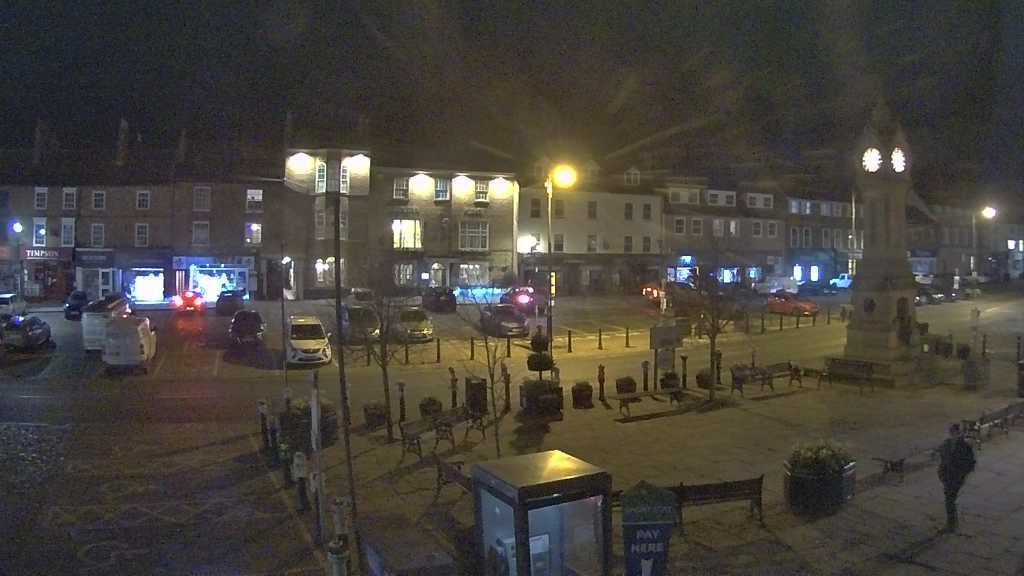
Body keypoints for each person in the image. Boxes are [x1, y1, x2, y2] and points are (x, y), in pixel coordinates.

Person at [937, 423, 976, 532]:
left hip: (956, 477)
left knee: (949, 500)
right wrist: (942, 473)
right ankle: (952, 522)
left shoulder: (964, 446)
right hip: (948, 477)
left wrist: (962, 474)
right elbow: (942, 460)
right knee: (949, 499)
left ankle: (951, 523)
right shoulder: (947, 444)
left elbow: (971, 464)